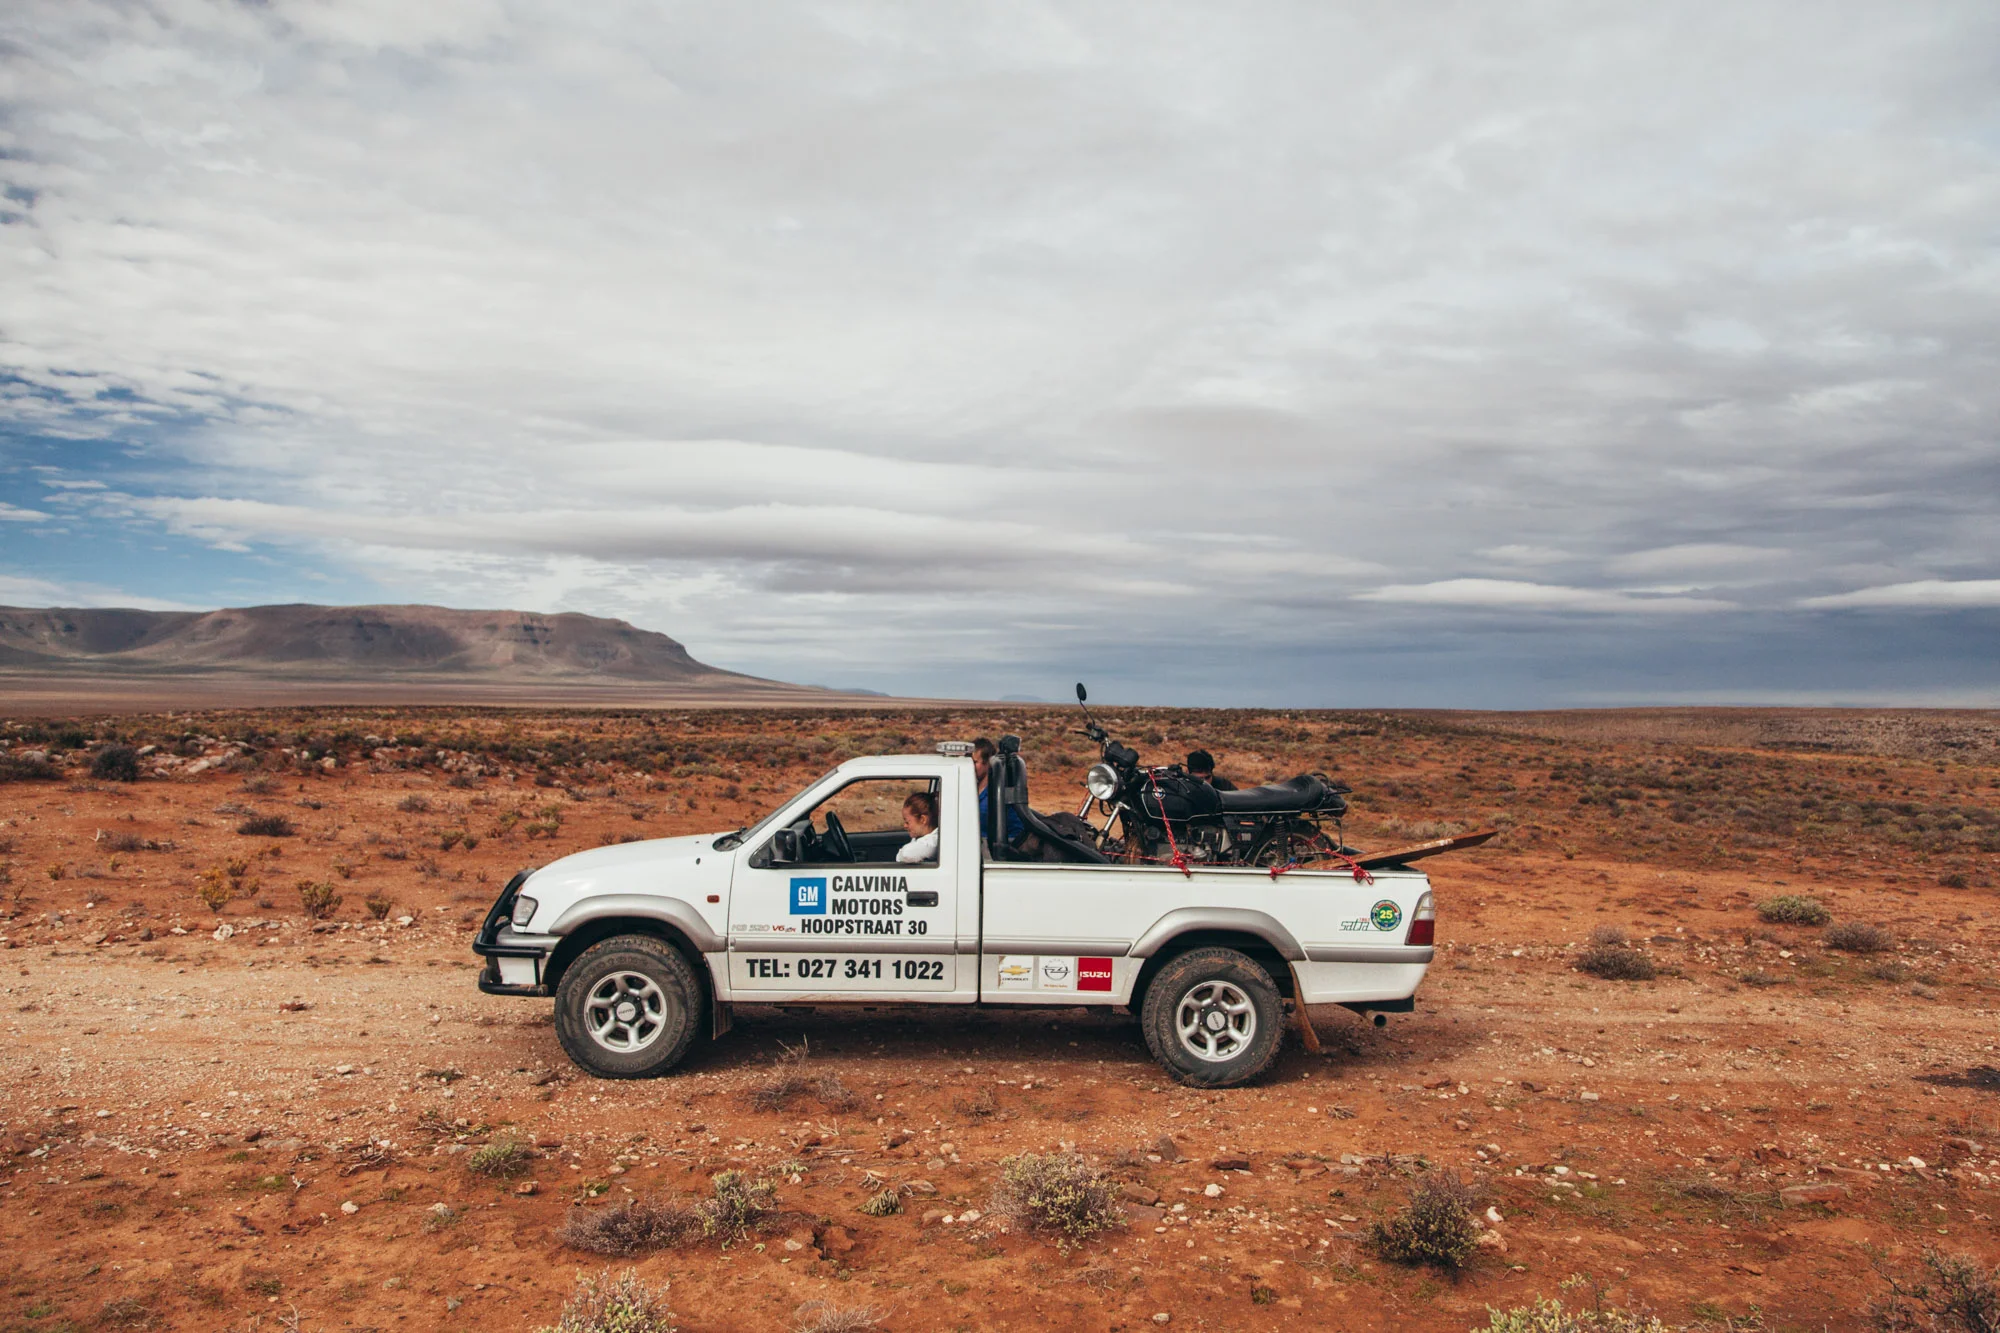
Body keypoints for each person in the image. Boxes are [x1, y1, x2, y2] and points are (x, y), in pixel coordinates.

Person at [972, 736, 1025, 841]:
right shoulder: (970, 790)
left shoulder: (999, 795)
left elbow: (1017, 830)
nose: (970, 766)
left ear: (988, 762)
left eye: (975, 762)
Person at [897, 790, 940, 864]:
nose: (905, 826)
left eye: (907, 822)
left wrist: (900, 853)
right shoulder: (920, 837)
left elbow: (906, 854)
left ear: (923, 819)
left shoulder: (933, 842)